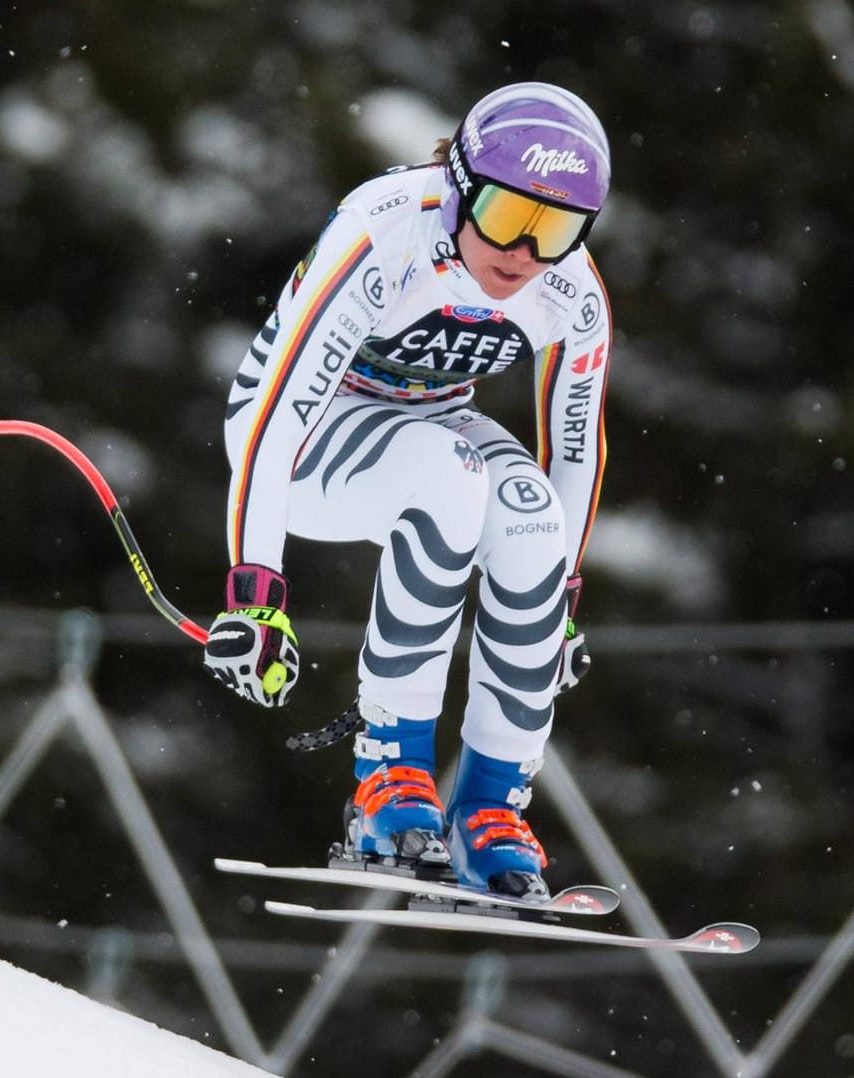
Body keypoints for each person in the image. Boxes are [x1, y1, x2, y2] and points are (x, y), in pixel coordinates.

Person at [203, 82, 612, 900]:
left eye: (555, 229)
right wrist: (255, 594)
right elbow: (275, 417)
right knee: (447, 476)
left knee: (532, 519)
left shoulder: (571, 295)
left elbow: (575, 451)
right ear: (459, 185)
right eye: (505, 218)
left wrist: (557, 606)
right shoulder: (384, 233)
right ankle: (388, 779)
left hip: (430, 427)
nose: (523, 253)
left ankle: (490, 807)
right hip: (305, 436)